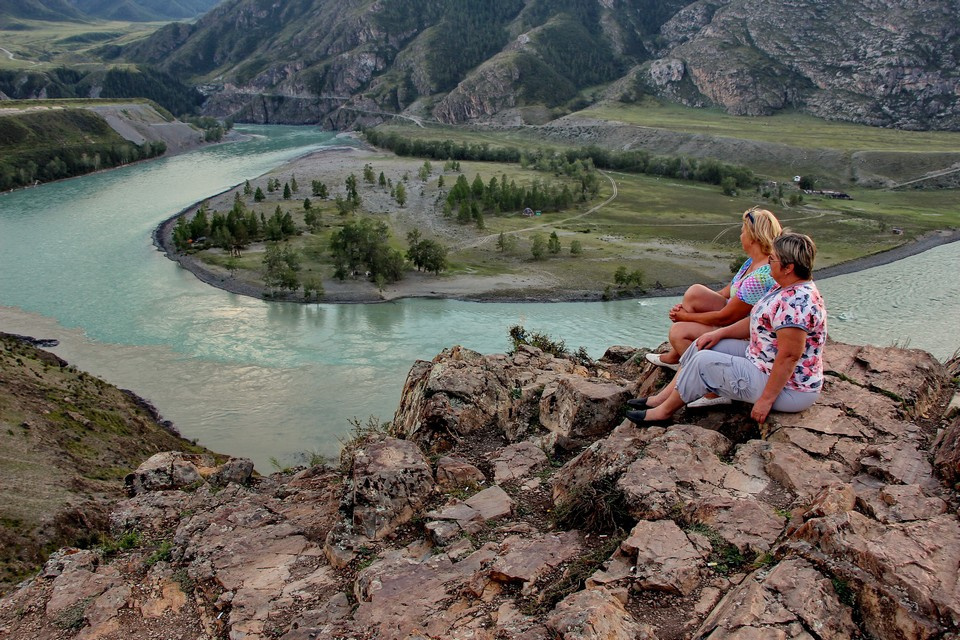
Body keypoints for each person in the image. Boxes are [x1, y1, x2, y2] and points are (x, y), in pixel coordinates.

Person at [627, 233, 826, 426]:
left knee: (703, 363)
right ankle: (661, 398)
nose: (768, 263)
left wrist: (766, 400)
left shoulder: (796, 303)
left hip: (790, 390)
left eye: (772, 260)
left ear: (788, 267)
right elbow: (755, 322)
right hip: (761, 362)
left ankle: (663, 412)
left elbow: (789, 356)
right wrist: (718, 333)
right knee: (702, 344)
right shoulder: (783, 287)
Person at [646, 207, 782, 382]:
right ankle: (676, 355)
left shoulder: (760, 278)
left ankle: (709, 384)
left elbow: (725, 318)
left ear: (754, 237)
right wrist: (691, 308)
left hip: (744, 332)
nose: (740, 237)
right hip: (733, 318)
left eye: (743, 232)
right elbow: (726, 293)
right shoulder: (752, 262)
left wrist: (686, 316)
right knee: (696, 293)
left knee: (678, 332)